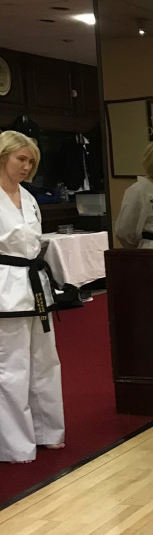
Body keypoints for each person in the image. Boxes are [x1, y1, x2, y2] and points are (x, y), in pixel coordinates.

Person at [0, 131, 65, 463]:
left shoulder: (28, 196)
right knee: (12, 366)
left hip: (34, 283)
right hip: (5, 287)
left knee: (44, 360)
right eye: (20, 159)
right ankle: (15, 444)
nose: (26, 166)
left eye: (31, 161)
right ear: (3, 156)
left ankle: (47, 430)